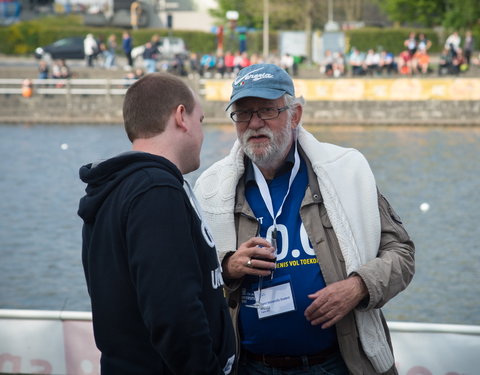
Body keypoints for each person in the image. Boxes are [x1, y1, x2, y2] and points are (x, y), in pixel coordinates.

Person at [194, 64, 415, 375]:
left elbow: (402, 253)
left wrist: (358, 286)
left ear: (295, 114)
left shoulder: (343, 171)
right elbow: (191, 278)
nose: (254, 123)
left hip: (335, 363)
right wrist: (229, 268)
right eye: (243, 113)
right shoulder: (212, 187)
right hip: (249, 366)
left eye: (266, 110)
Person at [78, 73, 236, 375]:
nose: (202, 134)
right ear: (181, 117)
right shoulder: (155, 191)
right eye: (200, 120)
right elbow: (174, 312)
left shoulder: (117, 188)